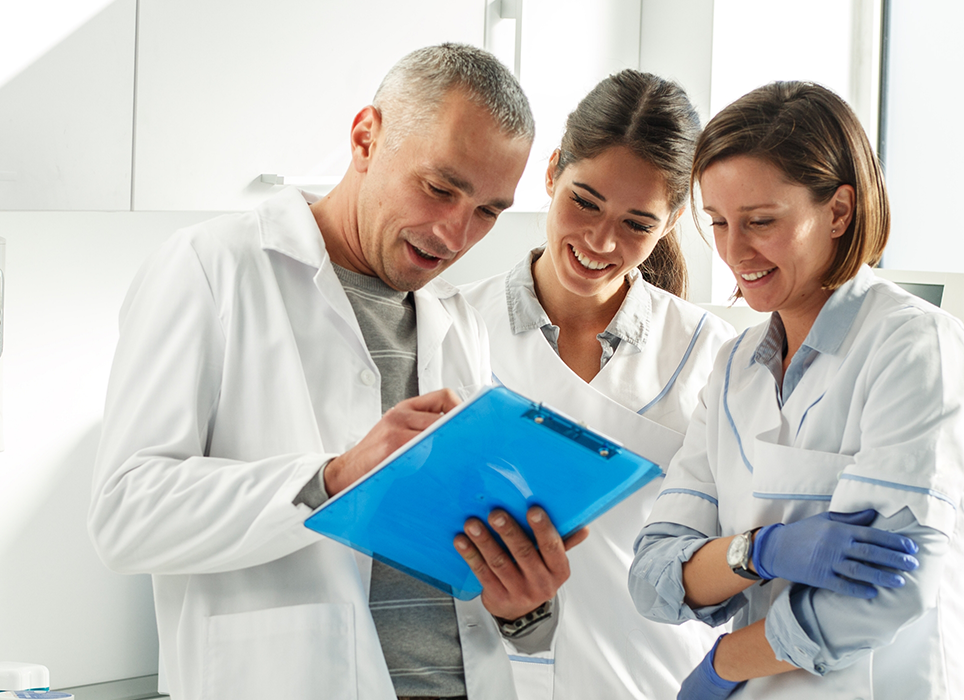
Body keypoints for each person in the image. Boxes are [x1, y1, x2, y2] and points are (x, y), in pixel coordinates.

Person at [89, 44, 586, 700]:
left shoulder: (457, 323)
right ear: (365, 138)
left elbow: (472, 597)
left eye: (489, 210)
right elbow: (126, 513)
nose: (456, 233)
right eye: (440, 188)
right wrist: (333, 478)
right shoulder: (213, 268)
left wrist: (518, 599)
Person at [628, 81, 964, 699]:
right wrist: (760, 551)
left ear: (838, 211)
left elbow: (891, 589)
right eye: (719, 223)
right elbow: (654, 576)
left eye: (761, 222)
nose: (734, 251)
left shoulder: (913, 349)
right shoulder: (734, 370)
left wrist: (725, 661)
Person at [460, 70, 736, 700]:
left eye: (637, 223)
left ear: (669, 225)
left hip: (657, 678)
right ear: (552, 171)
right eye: (584, 201)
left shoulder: (713, 355)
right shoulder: (451, 324)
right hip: (493, 675)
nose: (600, 241)